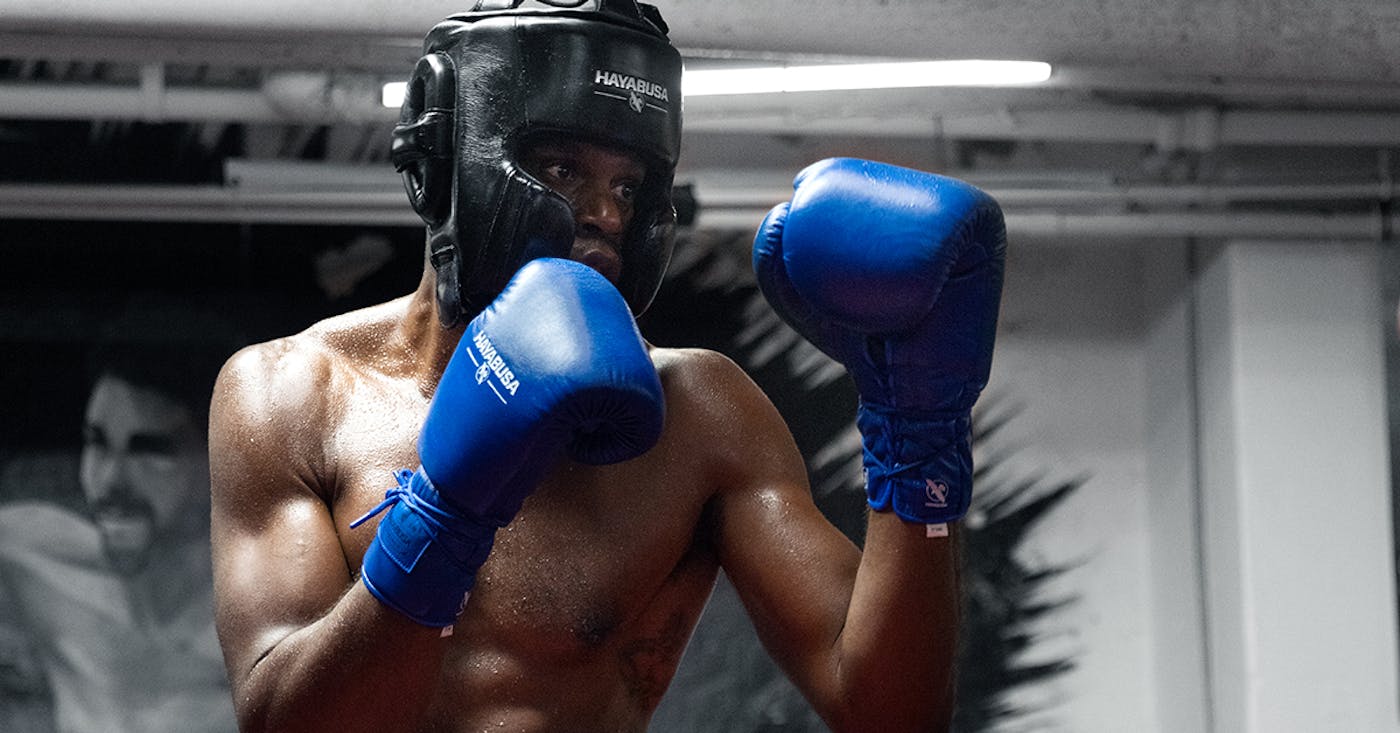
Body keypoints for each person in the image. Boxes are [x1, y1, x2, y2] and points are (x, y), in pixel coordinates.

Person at [208, 2, 1005, 732]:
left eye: (630, 184)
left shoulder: (701, 414)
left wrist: (918, 432)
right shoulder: (291, 393)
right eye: (561, 169)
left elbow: (891, 713)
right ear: (444, 164)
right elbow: (283, 723)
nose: (606, 214)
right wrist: (443, 519)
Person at [0, 341, 238, 733]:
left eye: (149, 450)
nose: (111, 480)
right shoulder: (36, 564)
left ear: (222, 460)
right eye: (97, 442)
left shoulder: (267, 632)